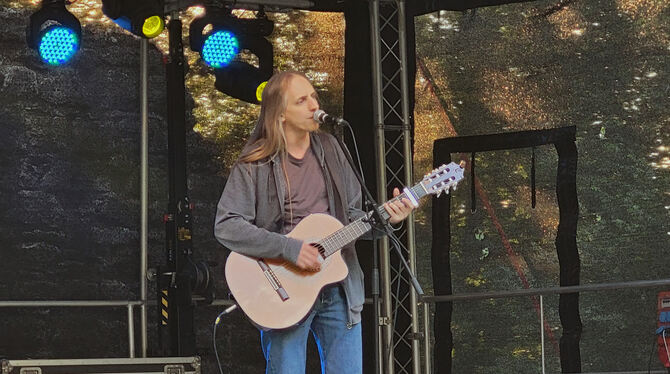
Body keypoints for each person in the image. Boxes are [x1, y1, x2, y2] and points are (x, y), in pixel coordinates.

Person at [214, 71, 414, 374]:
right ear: (280, 113)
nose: (313, 105)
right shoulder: (255, 162)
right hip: (283, 290)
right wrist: (289, 248)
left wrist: (389, 219)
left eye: (314, 96)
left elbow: (354, 218)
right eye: (302, 100)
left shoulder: (333, 149)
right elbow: (227, 224)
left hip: (339, 288)